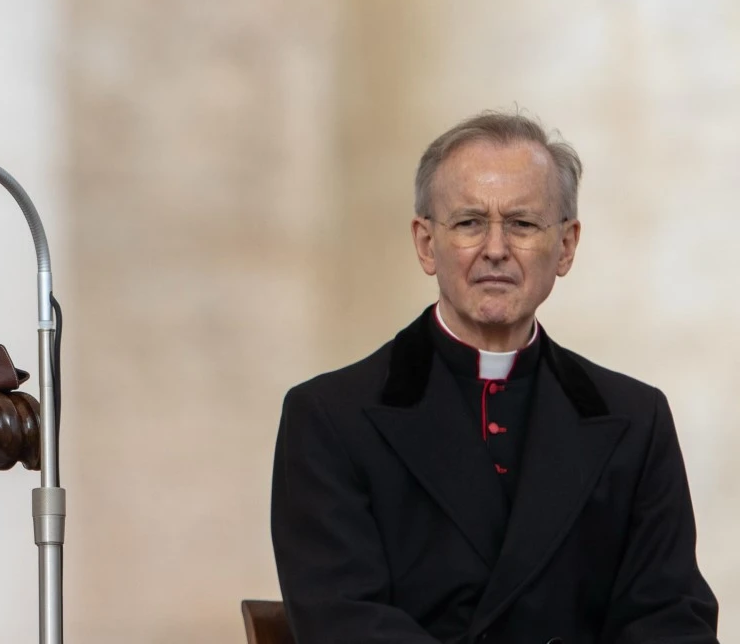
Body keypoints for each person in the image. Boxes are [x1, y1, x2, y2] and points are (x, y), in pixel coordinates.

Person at [270, 111, 718, 642]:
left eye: (523, 223)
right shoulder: (330, 419)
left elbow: (671, 618)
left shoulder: (636, 419)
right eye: (469, 222)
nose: (496, 249)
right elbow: (344, 623)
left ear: (567, 246)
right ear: (426, 243)